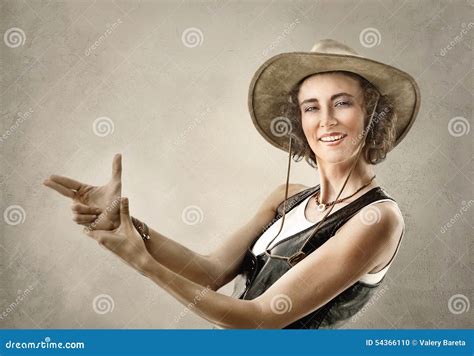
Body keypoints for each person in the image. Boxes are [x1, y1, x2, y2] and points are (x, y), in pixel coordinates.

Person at [43, 39, 421, 329]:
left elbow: (258, 318)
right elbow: (209, 272)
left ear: (372, 115)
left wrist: (142, 263)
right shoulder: (285, 198)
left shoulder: (378, 219)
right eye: (311, 107)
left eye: (342, 103)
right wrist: (128, 225)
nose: (326, 120)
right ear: (298, 123)